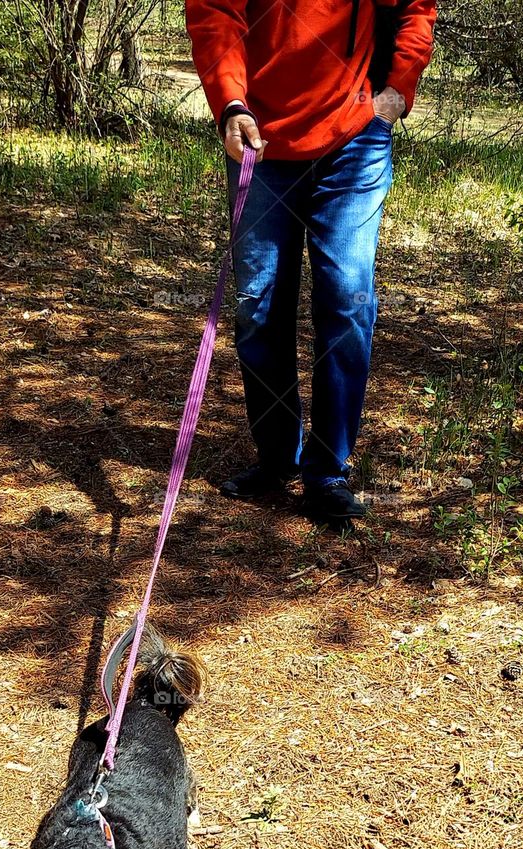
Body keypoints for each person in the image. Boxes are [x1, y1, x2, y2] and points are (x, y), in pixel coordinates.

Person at [186, 0, 436, 520]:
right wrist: (231, 102)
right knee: (258, 305)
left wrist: (397, 89)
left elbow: (416, 7)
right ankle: (279, 457)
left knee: (347, 298)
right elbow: (214, 13)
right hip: (260, 139)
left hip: (354, 140)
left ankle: (328, 471)